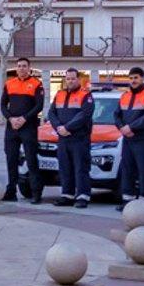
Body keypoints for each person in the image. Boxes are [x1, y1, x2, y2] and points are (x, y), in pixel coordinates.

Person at [46, 68, 94, 208]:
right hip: (63, 138)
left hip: (79, 139)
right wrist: (58, 128)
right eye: (68, 79)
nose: (70, 81)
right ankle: (67, 195)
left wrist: (67, 128)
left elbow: (84, 115)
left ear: (78, 79)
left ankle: (82, 196)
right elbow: (51, 113)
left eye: (73, 78)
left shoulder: (86, 95)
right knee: (65, 168)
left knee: (81, 168)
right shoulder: (59, 94)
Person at [1, 58, 45, 203]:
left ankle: (36, 193)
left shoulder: (37, 84)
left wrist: (24, 118)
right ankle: (11, 192)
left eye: (24, 66)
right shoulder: (9, 84)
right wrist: (10, 119)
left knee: (31, 160)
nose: (21, 68)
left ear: (29, 68)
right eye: (19, 66)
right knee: (11, 159)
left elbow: (39, 106)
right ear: (16, 68)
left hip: (29, 127)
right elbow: (2, 105)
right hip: (12, 128)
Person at [114, 67, 144, 209]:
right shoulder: (124, 96)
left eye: (136, 78)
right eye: (131, 78)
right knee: (127, 170)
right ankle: (128, 201)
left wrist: (130, 128)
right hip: (128, 139)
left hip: (142, 139)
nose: (133, 81)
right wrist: (122, 128)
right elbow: (116, 115)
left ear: (142, 79)